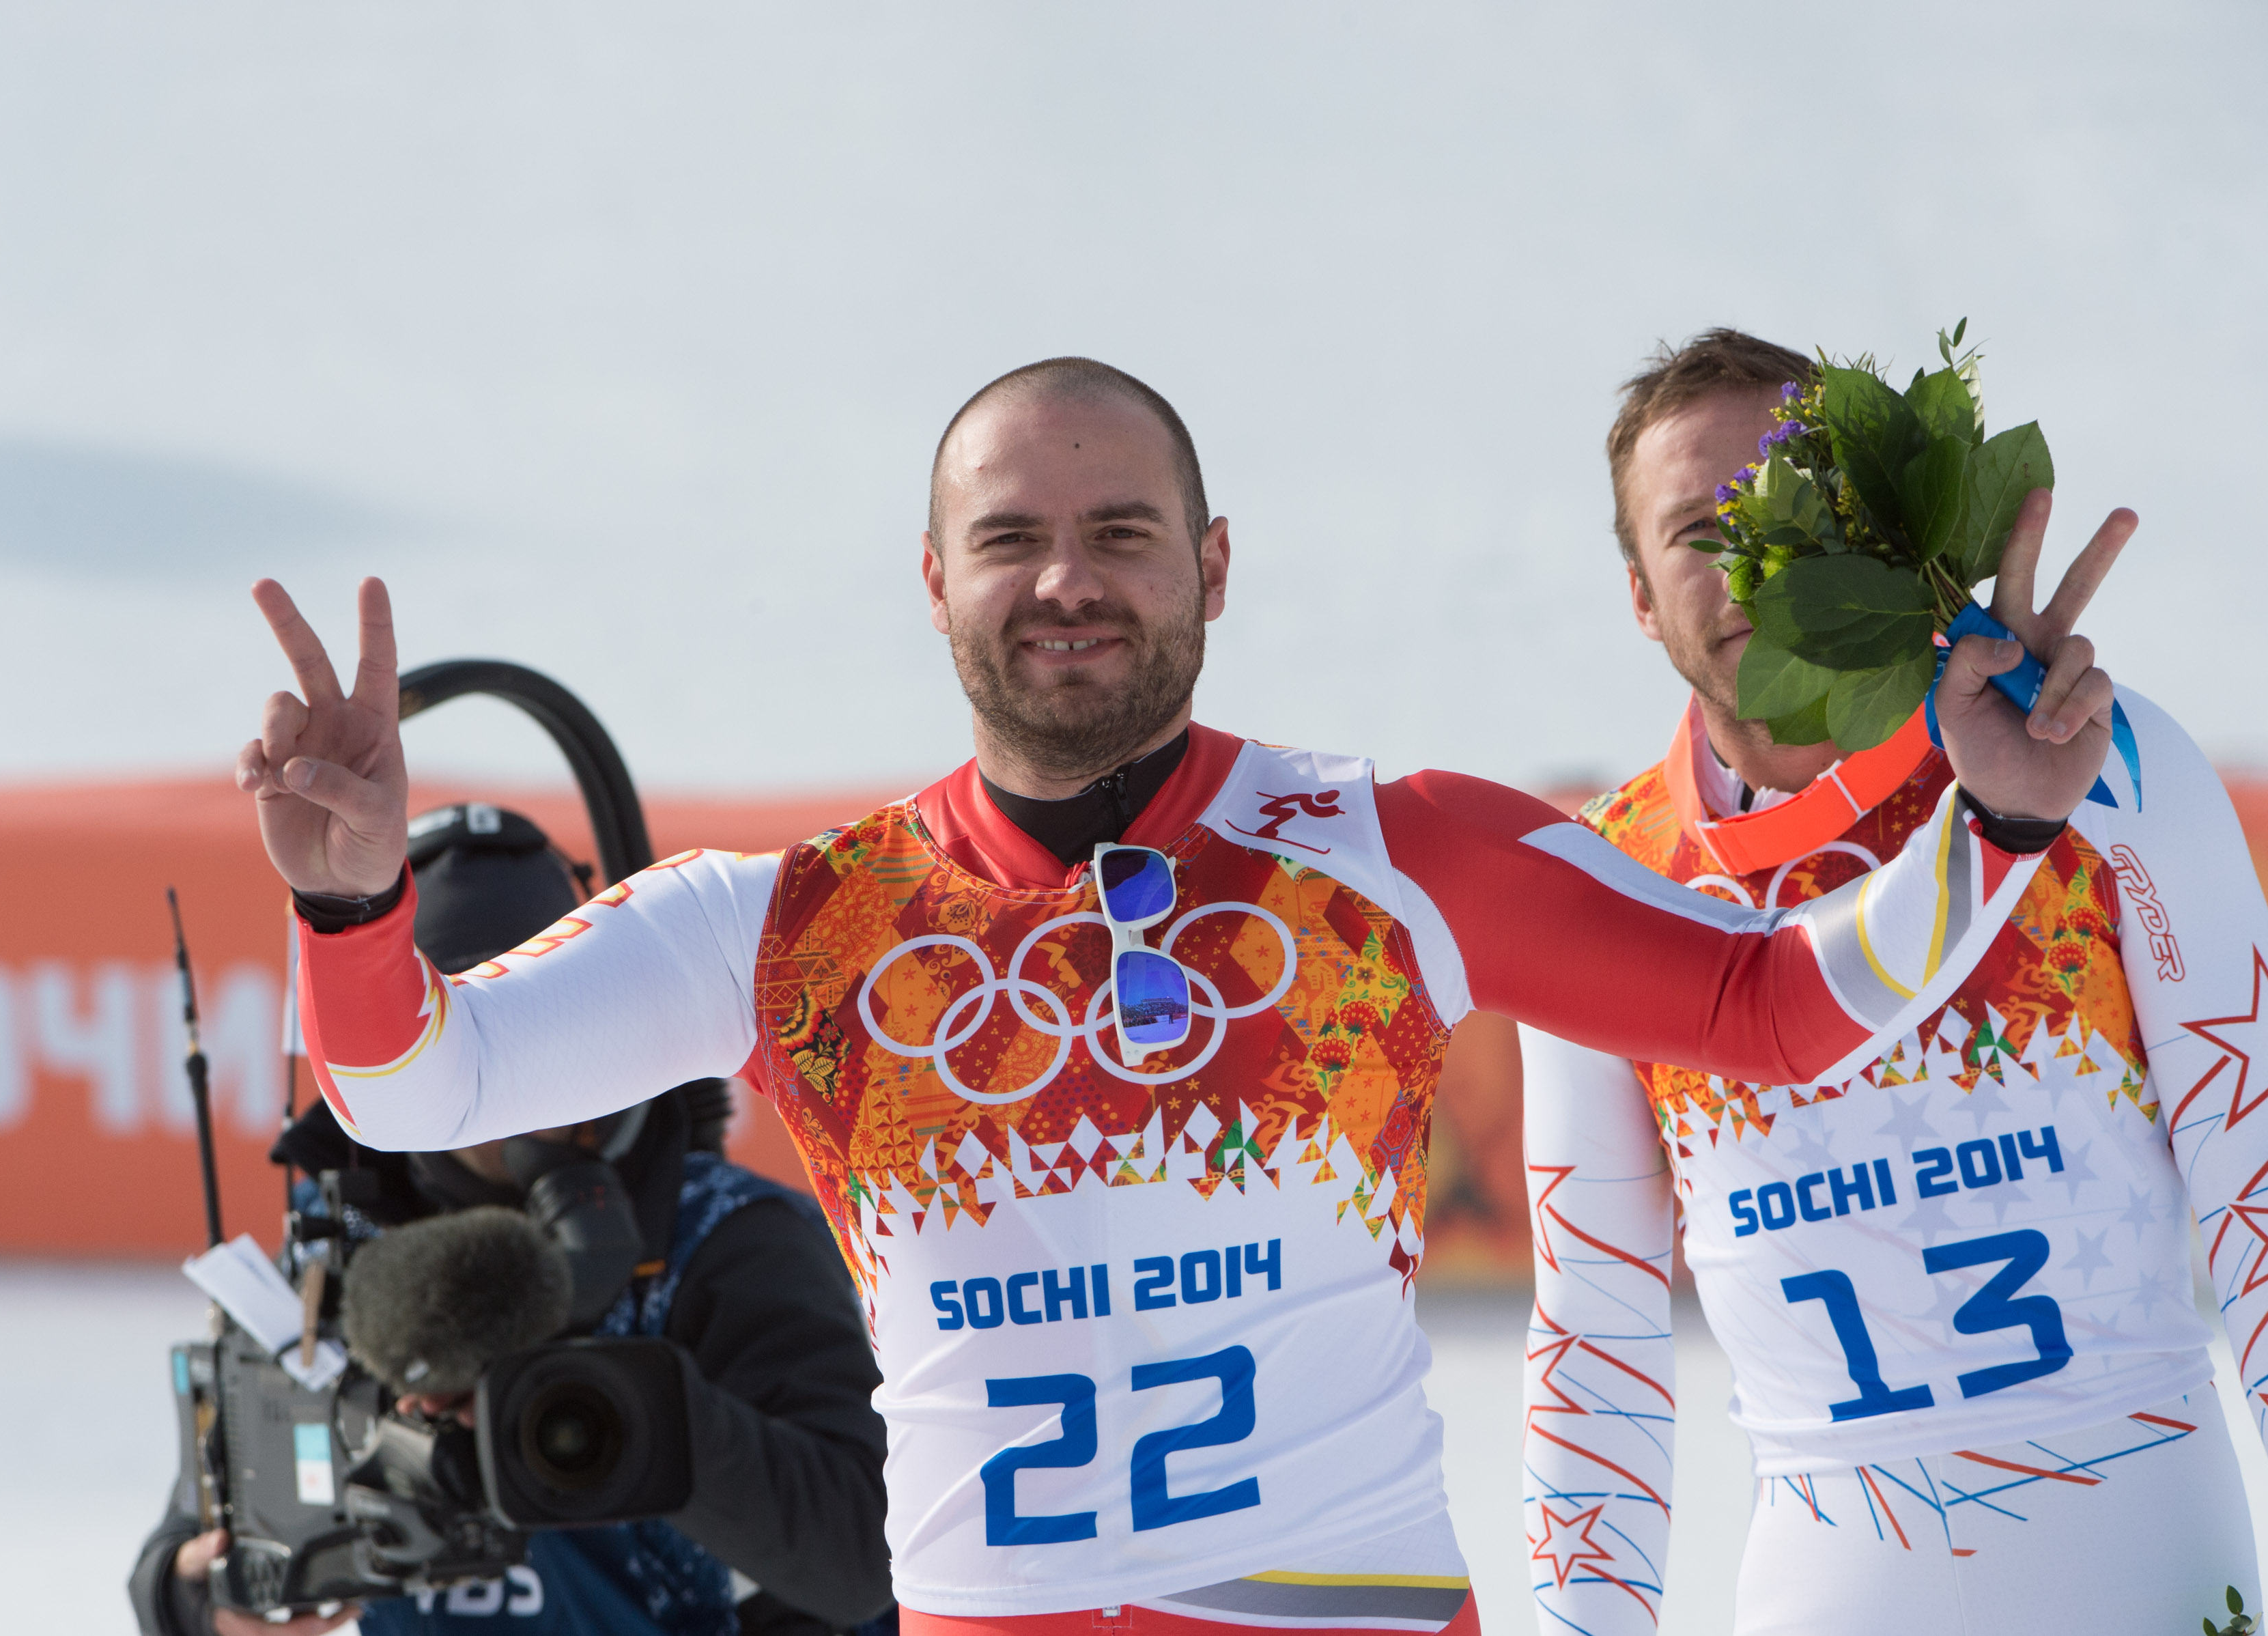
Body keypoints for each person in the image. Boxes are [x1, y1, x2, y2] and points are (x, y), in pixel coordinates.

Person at [236, 356, 2121, 1636]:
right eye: (1013, 538)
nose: (1069, 580)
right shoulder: (794, 917)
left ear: (1210, 564)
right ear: (935, 581)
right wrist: (353, 897)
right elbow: (416, 1078)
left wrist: (1994, 830)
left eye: (1123, 531)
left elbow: (1773, 1006)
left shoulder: (1393, 853)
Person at [1517, 328, 2268, 1633]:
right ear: (1640, 596)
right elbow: (1595, 1335)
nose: (1754, 558)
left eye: (1795, 509)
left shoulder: (2095, 756)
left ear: (1879, 540)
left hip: (2147, 1570)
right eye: (1701, 528)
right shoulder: (1608, 877)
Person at [128, 804, 894, 1636]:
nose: (512, 1073)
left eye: (539, 1027)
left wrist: (631, 1409)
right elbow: (195, 1530)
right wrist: (198, 1596)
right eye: (471, 1035)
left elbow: (864, 1561)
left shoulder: (727, 1237)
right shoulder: (337, 1238)